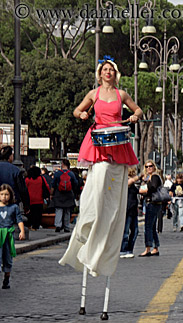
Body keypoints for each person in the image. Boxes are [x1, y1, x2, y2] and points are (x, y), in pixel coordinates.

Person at [59, 55, 142, 277]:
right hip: (99, 141)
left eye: (111, 70)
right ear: (100, 73)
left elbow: (138, 110)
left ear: (115, 74)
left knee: (113, 191)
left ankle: (107, 234)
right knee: (101, 178)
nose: (108, 73)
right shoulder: (93, 94)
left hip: (118, 140)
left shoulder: (121, 94)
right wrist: (83, 114)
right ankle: (90, 223)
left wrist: (134, 116)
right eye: (105, 70)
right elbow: (76, 111)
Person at [0, 184, 25, 289]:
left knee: (8, 257)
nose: (4, 196)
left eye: (6, 194)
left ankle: (6, 278)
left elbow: (19, 220)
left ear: (11, 195)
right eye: (1, 194)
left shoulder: (13, 207)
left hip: (8, 236)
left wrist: (22, 231)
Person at [139, 161, 162, 257]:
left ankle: (148, 248)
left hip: (153, 203)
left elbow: (153, 187)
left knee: (148, 226)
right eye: (147, 166)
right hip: (151, 203)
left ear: (154, 167)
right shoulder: (148, 177)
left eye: (150, 166)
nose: (149, 168)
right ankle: (155, 248)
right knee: (152, 227)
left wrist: (144, 190)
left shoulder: (155, 177)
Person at [0, 146, 30, 212]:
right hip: (11, 203)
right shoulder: (15, 170)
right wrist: (26, 205)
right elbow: (22, 189)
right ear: (10, 156)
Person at [52, 160, 78, 233]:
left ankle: (58, 225)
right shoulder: (71, 174)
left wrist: (51, 194)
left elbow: (53, 184)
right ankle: (66, 227)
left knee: (59, 210)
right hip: (69, 194)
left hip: (58, 194)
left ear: (62, 164)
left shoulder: (57, 173)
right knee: (67, 211)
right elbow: (75, 183)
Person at [120, 167, 140, 258]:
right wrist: (140, 176)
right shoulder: (125, 181)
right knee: (125, 231)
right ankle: (123, 250)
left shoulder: (133, 185)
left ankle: (129, 249)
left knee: (135, 231)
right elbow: (129, 182)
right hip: (126, 210)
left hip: (133, 210)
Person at [25, 166, 50, 231]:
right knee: (37, 214)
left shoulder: (27, 179)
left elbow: (24, 189)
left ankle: (29, 225)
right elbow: (46, 187)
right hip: (39, 199)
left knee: (29, 214)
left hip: (29, 200)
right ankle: (35, 226)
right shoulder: (41, 178)